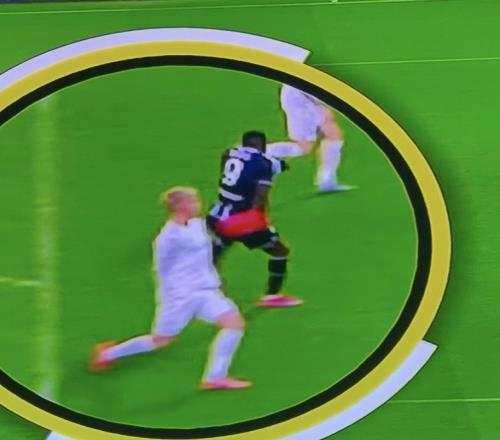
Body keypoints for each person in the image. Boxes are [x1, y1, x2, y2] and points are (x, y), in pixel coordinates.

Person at [90, 187, 250, 390]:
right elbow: (161, 268)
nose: (198, 204)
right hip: (180, 296)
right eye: (193, 201)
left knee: (234, 324)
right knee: (161, 340)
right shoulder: (169, 237)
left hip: (205, 291)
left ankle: (215, 377)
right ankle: (107, 354)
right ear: (181, 206)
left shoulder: (196, 224)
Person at [207, 130, 302, 308]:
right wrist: (262, 222)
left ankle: (207, 292)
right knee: (280, 251)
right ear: (263, 146)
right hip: (243, 220)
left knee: (215, 255)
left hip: (217, 215)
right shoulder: (264, 164)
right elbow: (260, 198)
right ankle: (272, 296)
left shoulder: (229, 153)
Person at [266, 84, 353, 193]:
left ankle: (327, 181)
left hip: (307, 96)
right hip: (300, 96)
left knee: (333, 134)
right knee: (304, 146)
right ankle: (257, 151)